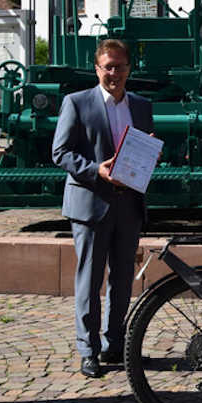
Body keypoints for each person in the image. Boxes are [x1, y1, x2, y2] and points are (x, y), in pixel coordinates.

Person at [52, 39, 153, 379]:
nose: (114, 73)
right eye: (108, 67)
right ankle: (88, 349)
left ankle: (115, 343)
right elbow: (61, 152)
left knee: (123, 280)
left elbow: (142, 148)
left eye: (120, 66)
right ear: (97, 69)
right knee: (90, 280)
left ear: (128, 69)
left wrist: (149, 156)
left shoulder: (141, 105)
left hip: (129, 205)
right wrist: (97, 169)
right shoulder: (76, 103)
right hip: (91, 203)